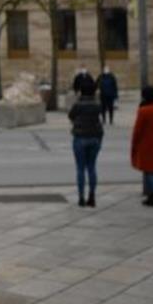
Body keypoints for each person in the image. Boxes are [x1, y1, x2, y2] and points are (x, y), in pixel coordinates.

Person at [67, 72, 103, 207]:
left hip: (80, 137)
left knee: (80, 169)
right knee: (92, 167)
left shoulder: (78, 105)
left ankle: (81, 197)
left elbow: (71, 116)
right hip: (95, 137)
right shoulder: (97, 104)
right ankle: (92, 196)